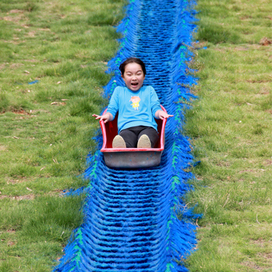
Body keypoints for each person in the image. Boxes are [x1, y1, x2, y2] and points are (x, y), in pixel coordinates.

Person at [93, 57, 173, 148]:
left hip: (148, 127)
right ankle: (122, 148)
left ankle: (144, 146)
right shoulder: (119, 91)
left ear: (144, 75)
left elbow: (155, 108)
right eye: (129, 74)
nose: (134, 78)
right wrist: (106, 116)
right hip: (127, 128)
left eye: (138, 74)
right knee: (125, 139)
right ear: (123, 76)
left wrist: (161, 113)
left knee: (147, 137)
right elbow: (112, 110)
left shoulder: (149, 90)